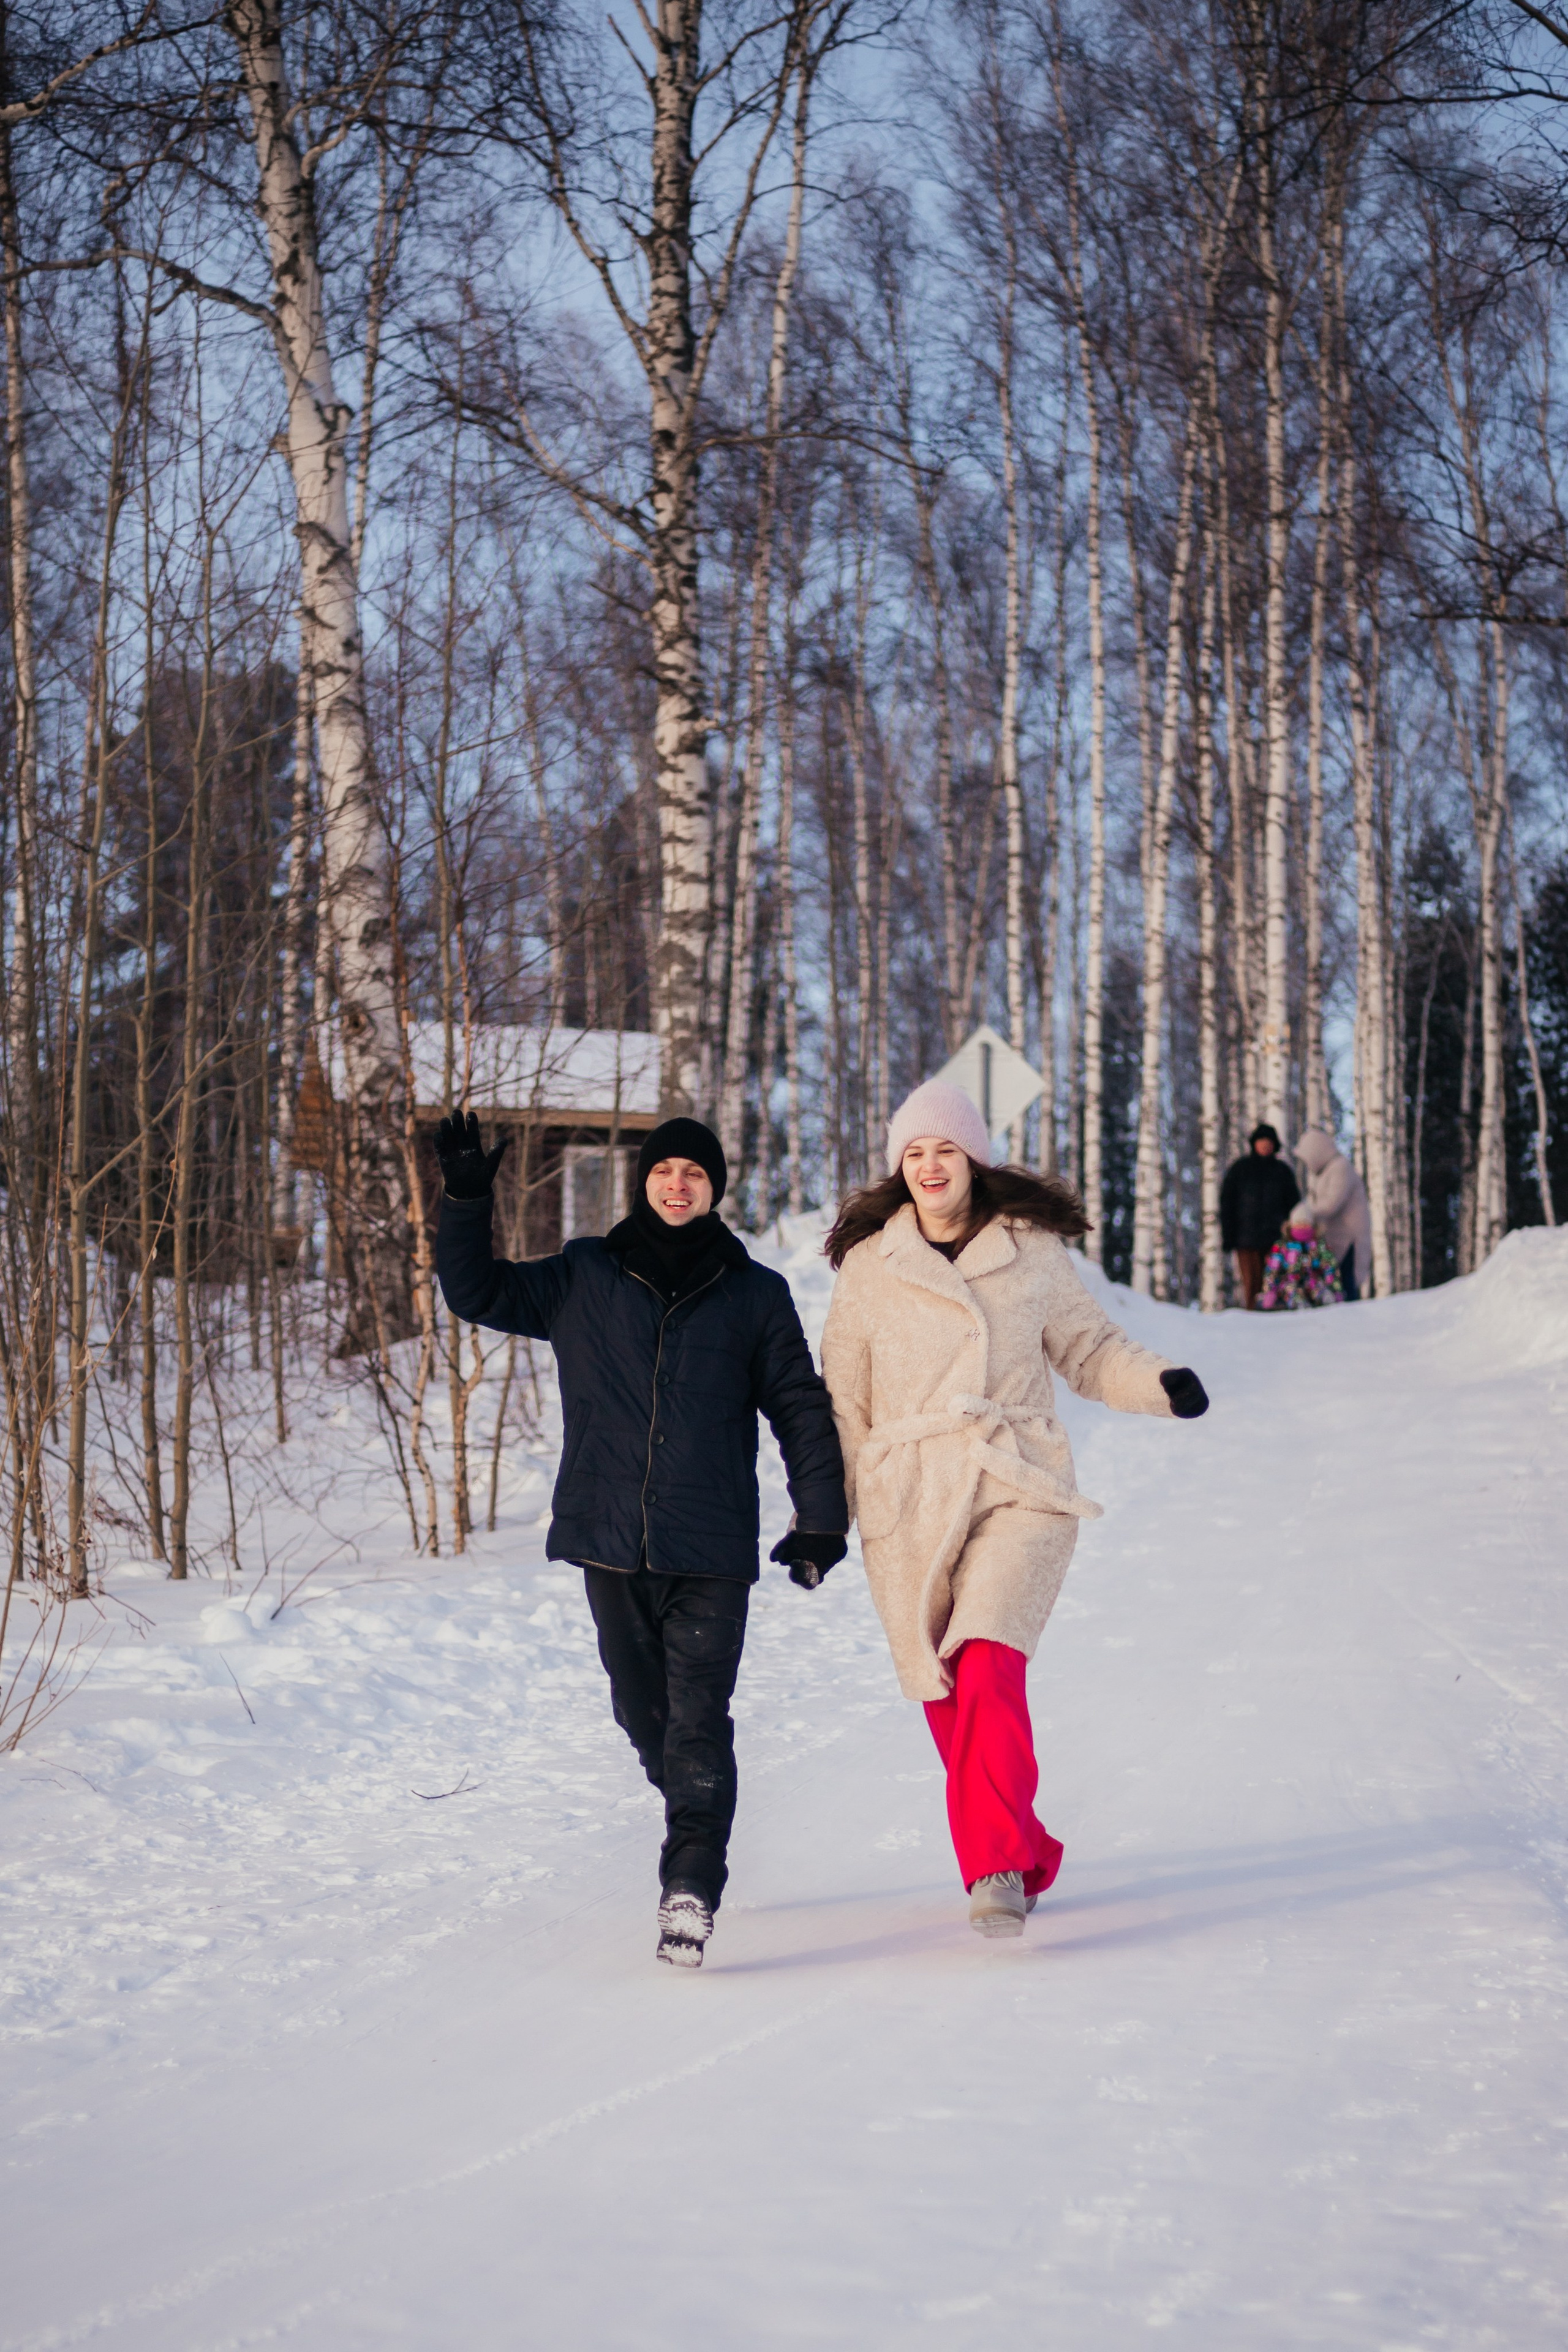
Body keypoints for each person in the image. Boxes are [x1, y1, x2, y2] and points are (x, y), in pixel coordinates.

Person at [434, 1110, 847, 1969]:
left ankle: (689, 1883)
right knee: (642, 1712)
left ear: (715, 1190)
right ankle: (698, 1815)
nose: (678, 1184)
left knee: (699, 1721)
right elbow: (475, 1294)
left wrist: (820, 1520)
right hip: (609, 1536)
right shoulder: (587, 1272)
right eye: (666, 1171)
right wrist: (468, 1198)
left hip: (711, 1548)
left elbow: (800, 1406)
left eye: (696, 1173)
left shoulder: (754, 1292)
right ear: (645, 1181)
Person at [819, 1080, 1209, 1940]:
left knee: (990, 1659)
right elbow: (842, 1400)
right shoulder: (869, 1269)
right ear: (900, 1167)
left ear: (973, 1160)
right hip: (909, 1496)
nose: (929, 1166)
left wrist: (1158, 1385)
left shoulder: (1030, 1253)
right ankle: (1027, 1845)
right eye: (915, 1153)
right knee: (947, 1696)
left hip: (1018, 1481)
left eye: (945, 1150)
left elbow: (1090, 1349)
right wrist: (826, 1514)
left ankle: (994, 1868)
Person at [1218, 1123, 1300, 1308]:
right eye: (1262, 1141)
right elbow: (1227, 1205)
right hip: (1246, 1240)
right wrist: (1228, 1237)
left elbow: (1294, 1207)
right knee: (1252, 1286)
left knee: (1275, 1286)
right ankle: (1253, 1326)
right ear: (1254, 1143)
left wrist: (1294, 1236)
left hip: (1276, 1241)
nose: (1265, 1145)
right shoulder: (1240, 1169)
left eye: (1269, 1142)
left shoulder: (1283, 1172)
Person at [1293, 1128, 1373, 1302]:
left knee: (1347, 1281)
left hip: (1350, 1238)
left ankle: (1353, 1319)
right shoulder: (1321, 1172)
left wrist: (1305, 1212)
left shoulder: (1340, 1168)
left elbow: (1331, 1204)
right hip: (1334, 1237)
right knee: (1335, 1283)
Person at [1257, 1208, 1344, 1312]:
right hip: (1290, 1281)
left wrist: (1336, 1289)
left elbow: (1330, 1267)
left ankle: (1327, 1299)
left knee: (1317, 1285)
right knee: (1290, 1290)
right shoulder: (1282, 1247)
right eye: (1299, 1224)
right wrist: (1270, 1291)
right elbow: (1272, 1271)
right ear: (1291, 1226)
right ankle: (1298, 1304)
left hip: (1312, 1280)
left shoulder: (1319, 1246)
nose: (1302, 1227)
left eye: (1306, 1224)